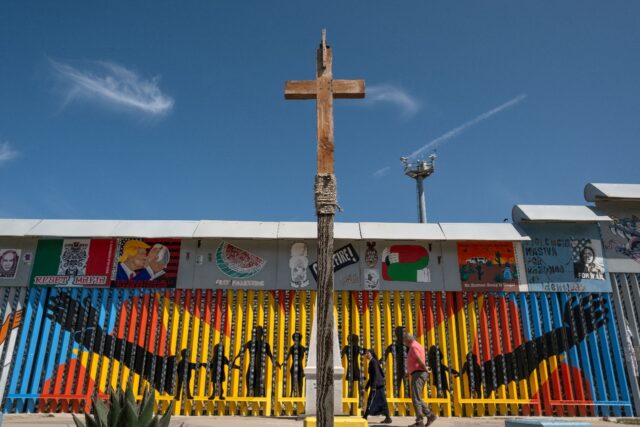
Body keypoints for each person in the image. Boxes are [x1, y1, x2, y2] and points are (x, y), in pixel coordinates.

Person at [233, 325, 278, 397]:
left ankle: (259, 399)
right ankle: (250, 398)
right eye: (257, 332)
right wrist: (235, 359)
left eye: (259, 333)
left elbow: (271, 356)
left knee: (259, 385)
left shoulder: (265, 345)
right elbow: (241, 351)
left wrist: (276, 363)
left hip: (259, 368)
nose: (258, 334)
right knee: (250, 384)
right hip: (252, 366)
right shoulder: (250, 343)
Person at [404, 332, 437, 427]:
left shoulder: (413, 347)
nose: (404, 342)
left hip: (418, 373)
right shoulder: (418, 345)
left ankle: (420, 422)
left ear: (409, 339)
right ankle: (430, 415)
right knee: (417, 397)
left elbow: (419, 359)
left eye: (405, 340)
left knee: (416, 399)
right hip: (417, 373)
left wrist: (425, 368)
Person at [362, 349, 392, 424]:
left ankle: (365, 416)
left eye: (367, 353)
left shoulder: (373, 362)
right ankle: (388, 418)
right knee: (383, 402)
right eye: (366, 354)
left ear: (371, 354)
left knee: (370, 400)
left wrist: (373, 385)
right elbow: (372, 376)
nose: (366, 355)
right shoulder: (373, 361)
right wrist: (367, 386)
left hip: (377, 385)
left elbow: (375, 374)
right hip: (378, 385)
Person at [383, 326, 409, 397]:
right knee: (397, 386)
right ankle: (397, 401)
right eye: (402, 332)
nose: (404, 334)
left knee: (407, 386)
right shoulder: (394, 345)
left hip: (406, 368)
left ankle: (407, 402)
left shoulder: (407, 345)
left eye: (404, 332)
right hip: (397, 368)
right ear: (397, 334)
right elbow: (386, 352)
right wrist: (381, 361)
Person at [284, 332, 308, 396]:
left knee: (300, 382)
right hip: (295, 366)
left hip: (300, 367)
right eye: (295, 339)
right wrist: (283, 363)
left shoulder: (303, 348)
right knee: (293, 381)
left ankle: (300, 394)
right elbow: (287, 357)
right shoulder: (292, 348)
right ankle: (292, 393)